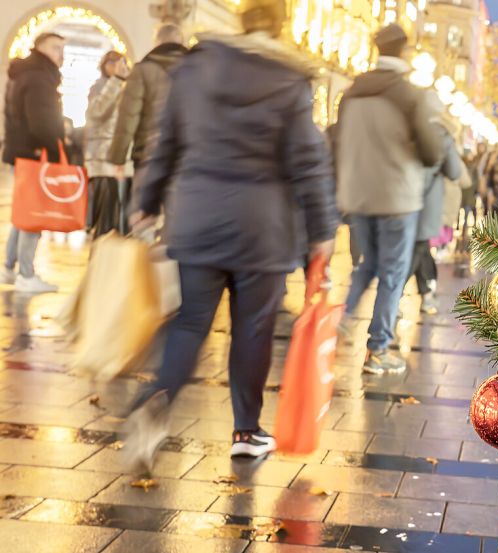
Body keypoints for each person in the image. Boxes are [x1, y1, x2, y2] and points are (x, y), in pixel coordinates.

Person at [125, 0, 339, 467]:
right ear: (283, 29)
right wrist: (322, 231)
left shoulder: (194, 69)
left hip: (198, 217)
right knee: (253, 329)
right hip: (262, 229)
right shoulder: (289, 79)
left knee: (190, 320)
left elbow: (167, 143)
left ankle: (155, 398)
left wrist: (146, 202)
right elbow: (309, 162)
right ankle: (246, 431)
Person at [334, 24, 442, 375]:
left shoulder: (351, 92)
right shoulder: (410, 95)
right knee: (393, 273)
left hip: (358, 194)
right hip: (396, 197)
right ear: (405, 52)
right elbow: (430, 152)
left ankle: (343, 318)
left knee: (367, 264)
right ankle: (378, 348)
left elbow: (339, 140)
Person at [1, 32, 66, 293]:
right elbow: (42, 121)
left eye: (62, 48)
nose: (60, 54)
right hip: (35, 152)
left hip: (22, 150)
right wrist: (53, 148)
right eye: (55, 48)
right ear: (40, 48)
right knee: (34, 214)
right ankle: (26, 274)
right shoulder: (40, 76)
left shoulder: (25, 72)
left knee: (23, 213)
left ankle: (8, 267)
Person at [107, 24, 188, 218]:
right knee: (177, 218)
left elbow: (128, 116)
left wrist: (118, 156)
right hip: (184, 155)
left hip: (147, 155)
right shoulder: (198, 70)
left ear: (157, 42)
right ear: (182, 42)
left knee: (143, 218)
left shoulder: (143, 70)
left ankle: (144, 247)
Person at [407, 104, 463, 316]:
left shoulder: (408, 128)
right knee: (418, 250)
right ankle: (423, 294)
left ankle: (424, 294)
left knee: (412, 250)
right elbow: (456, 172)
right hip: (428, 203)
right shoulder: (444, 136)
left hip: (403, 200)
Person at [85, 50, 129, 238]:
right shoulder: (99, 86)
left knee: (118, 214)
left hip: (120, 158)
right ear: (104, 65)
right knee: (105, 216)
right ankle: (101, 258)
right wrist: (117, 81)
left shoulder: (125, 87)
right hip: (102, 158)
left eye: (120, 63)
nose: (116, 67)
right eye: (111, 63)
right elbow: (96, 112)